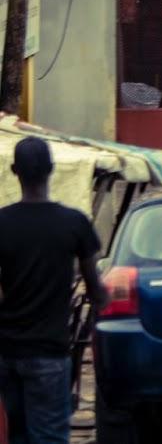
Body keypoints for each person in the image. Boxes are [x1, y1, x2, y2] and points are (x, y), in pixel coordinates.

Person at [0, 137, 105, 444]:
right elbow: (95, 289)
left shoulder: (2, 223)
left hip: (7, 355)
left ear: (14, 171)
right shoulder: (73, 223)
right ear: (52, 170)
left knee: (16, 435)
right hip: (50, 353)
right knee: (49, 437)